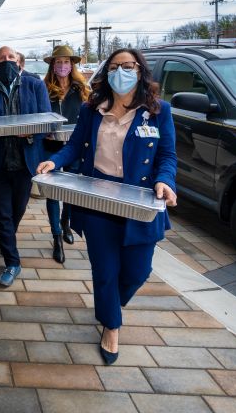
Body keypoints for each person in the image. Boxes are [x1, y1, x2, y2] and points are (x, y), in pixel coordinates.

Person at [37, 48, 177, 365]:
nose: (120, 72)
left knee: (138, 272)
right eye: (114, 66)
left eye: (127, 66)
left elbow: (167, 156)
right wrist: (54, 161)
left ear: (140, 71)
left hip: (138, 203)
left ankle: (111, 303)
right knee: (105, 271)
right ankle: (111, 325)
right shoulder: (92, 109)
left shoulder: (158, 111)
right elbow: (74, 145)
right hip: (98, 199)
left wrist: (165, 181)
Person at [0, 46, 51, 287]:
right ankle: (12, 261)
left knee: (18, 210)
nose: (7, 62)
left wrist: (30, 133)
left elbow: (45, 119)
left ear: (20, 63)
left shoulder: (35, 87)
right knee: (2, 214)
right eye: (1, 59)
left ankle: (7, 238)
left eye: (11, 58)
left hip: (25, 162)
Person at [42, 45, 91, 263]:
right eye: (58, 62)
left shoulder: (81, 89)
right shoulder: (44, 88)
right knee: (53, 193)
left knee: (70, 191)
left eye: (66, 62)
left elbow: (89, 117)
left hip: (74, 147)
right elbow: (38, 116)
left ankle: (65, 221)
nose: (62, 66)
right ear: (53, 65)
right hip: (50, 147)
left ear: (72, 65)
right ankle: (57, 237)